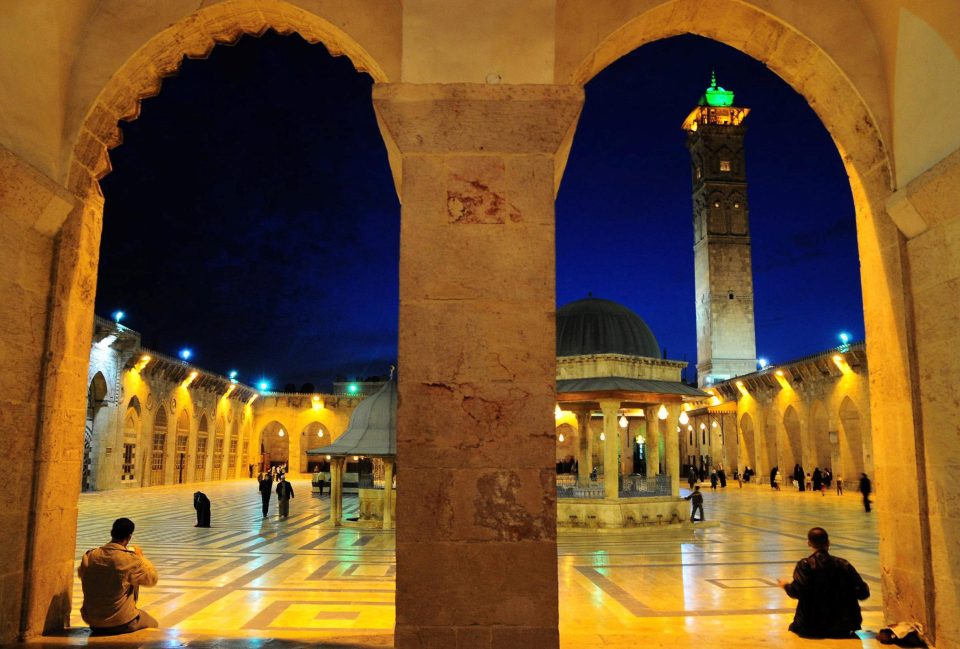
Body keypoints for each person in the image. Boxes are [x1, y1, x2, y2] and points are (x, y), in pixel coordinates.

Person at [778, 527, 870, 638]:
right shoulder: (843, 564)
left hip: (811, 626)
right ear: (828, 542)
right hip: (844, 626)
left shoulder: (805, 565)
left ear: (808, 543)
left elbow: (796, 592)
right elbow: (863, 593)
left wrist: (786, 586)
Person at [78, 517, 159, 635]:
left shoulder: (90, 555)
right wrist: (140, 557)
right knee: (153, 624)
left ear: (112, 533)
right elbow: (152, 579)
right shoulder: (130, 560)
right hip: (122, 622)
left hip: (93, 621)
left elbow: (82, 573)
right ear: (129, 537)